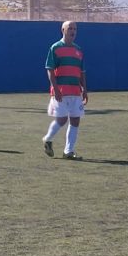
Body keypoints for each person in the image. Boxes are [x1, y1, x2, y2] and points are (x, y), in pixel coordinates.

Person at [42, 21, 88, 160]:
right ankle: (48, 139)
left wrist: (84, 90)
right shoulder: (55, 48)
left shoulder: (78, 50)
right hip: (61, 91)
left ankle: (68, 151)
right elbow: (49, 69)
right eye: (70, 28)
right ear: (63, 30)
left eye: (75, 29)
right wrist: (55, 89)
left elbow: (82, 72)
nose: (73, 31)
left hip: (75, 92)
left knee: (75, 121)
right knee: (61, 120)